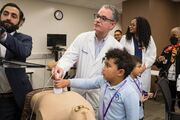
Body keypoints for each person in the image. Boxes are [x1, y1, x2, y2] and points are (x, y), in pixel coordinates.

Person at [52, 4, 122, 115]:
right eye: (97, 16)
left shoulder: (117, 48)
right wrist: (61, 68)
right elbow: (68, 57)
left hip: (99, 96)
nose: (98, 20)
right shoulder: (82, 38)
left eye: (103, 18)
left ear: (112, 24)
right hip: (77, 93)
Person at [54, 48, 139, 120]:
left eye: (107, 66)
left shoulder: (129, 93)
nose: (103, 68)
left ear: (120, 72)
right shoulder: (103, 81)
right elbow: (87, 83)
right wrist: (67, 82)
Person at [0, 3, 32, 120]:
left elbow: (23, 52)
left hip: (15, 98)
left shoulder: (25, 39)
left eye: (14, 16)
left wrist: (2, 35)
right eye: (5, 14)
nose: (9, 17)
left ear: (20, 22)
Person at [120, 16, 157, 92]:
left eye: (133, 25)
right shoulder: (125, 38)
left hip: (143, 71)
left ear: (140, 27)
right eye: (130, 24)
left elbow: (152, 56)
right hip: (129, 71)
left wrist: (144, 67)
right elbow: (121, 54)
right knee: (128, 94)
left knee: (141, 96)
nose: (130, 26)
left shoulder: (149, 39)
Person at [155, 27, 180, 112]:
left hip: (179, 81)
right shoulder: (167, 49)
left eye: (174, 35)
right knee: (170, 103)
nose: (171, 37)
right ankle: (170, 116)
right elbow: (159, 64)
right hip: (168, 80)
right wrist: (159, 60)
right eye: (170, 35)